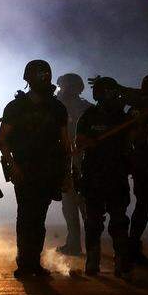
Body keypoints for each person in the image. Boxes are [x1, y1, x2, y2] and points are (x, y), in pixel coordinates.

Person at [0, 60, 70, 279]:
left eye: (46, 75)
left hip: (48, 170)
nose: (44, 79)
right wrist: (13, 166)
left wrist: (66, 173)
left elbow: (65, 143)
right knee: (26, 217)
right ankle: (25, 263)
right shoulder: (16, 107)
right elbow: (3, 140)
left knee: (37, 219)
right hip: (24, 169)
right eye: (40, 75)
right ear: (29, 78)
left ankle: (33, 263)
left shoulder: (57, 108)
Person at [76, 77, 133, 277]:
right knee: (93, 223)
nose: (114, 96)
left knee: (119, 221)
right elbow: (79, 141)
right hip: (94, 177)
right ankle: (92, 261)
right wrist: (88, 141)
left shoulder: (122, 116)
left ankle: (121, 262)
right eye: (110, 92)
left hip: (117, 175)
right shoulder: (89, 116)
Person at [54, 73, 91, 257]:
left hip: (81, 162)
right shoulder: (55, 107)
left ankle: (83, 245)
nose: (62, 90)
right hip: (66, 161)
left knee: (82, 204)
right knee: (71, 205)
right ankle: (78, 244)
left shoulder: (85, 109)